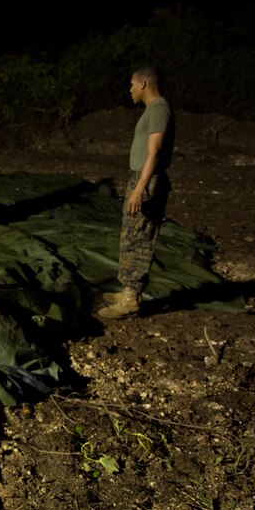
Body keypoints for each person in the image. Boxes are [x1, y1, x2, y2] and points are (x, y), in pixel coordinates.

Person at [98, 65, 176, 320]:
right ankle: (129, 290)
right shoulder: (153, 110)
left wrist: (140, 188)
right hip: (141, 178)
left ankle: (132, 298)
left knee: (139, 238)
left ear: (144, 84)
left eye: (132, 83)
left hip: (147, 180)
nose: (130, 89)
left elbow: (154, 151)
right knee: (131, 235)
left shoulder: (159, 109)